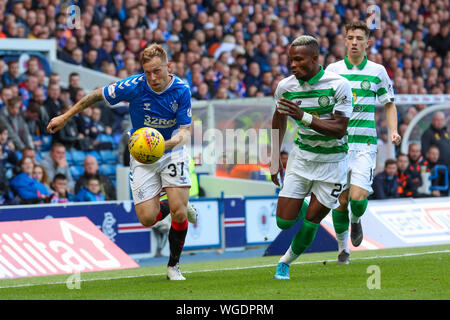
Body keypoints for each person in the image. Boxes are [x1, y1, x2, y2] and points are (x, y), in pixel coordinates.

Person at [47, 43, 197, 281]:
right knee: (147, 219)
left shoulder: (181, 90)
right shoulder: (134, 86)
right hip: (142, 153)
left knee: (179, 215)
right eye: (147, 72)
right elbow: (97, 94)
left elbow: (185, 132)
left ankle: (173, 266)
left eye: (157, 71)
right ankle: (176, 204)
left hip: (171, 151)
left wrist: (163, 145)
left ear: (169, 67)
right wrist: (65, 117)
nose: (152, 77)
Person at [270, 35, 353, 280]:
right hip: (302, 159)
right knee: (283, 222)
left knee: (312, 220)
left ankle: (284, 262)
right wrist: (275, 158)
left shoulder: (338, 85)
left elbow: (339, 128)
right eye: (290, 60)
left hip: (333, 162)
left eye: (298, 60)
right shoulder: (286, 87)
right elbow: (279, 119)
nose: (293, 65)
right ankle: (306, 199)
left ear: (314, 59)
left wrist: (304, 116)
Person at [325, 21, 401, 264]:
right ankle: (342, 250)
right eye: (350, 37)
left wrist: (394, 130)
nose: (355, 42)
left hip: (365, 146)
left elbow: (389, 103)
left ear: (368, 42)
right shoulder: (332, 71)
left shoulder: (377, 71)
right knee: (340, 201)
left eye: (359, 37)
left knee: (357, 199)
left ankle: (356, 221)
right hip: (338, 146)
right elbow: (325, 105)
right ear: (345, 41)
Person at [421, 112, 450, 179]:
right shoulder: (428, 133)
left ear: (444, 121)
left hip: (447, 167)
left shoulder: (446, 132)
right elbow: (425, 152)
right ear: (433, 121)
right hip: (436, 168)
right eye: (437, 120)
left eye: (441, 120)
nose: (439, 122)